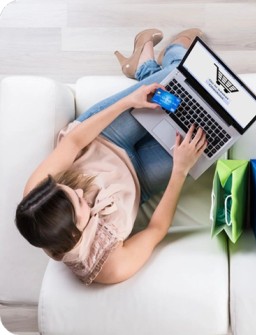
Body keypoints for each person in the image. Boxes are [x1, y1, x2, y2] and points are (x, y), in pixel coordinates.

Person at [15, 28, 207, 285]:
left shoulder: (37, 196)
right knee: (205, 136)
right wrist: (180, 169)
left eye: (71, 190)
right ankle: (144, 65)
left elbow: (74, 141)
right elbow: (156, 229)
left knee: (183, 77)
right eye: (80, 203)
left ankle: (158, 61)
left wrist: (128, 101)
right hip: (140, 180)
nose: (82, 193)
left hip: (103, 138)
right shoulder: (109, 266)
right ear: (76, 235)